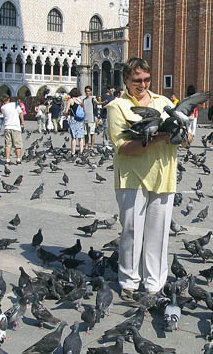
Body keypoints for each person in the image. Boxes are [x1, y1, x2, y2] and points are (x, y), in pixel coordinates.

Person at [107, 57, 190, 299]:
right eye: (136, 80)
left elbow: (186, 136)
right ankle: (129, 282)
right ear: (126, 80)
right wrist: (159, 138)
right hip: (132, 178)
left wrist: (184, 136)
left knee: (159, 232)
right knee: (132, 231)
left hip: (163, 176)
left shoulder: (163, 102)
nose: (142, 84)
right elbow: (123, 147)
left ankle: (154, 284)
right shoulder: (117, 107)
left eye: (146, 79)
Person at [0, 94, 24, 165]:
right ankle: (18, 159)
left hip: (7, 127)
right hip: (15, 127)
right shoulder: (15, 104)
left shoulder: (2, 107)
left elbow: (4, 117)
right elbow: (21, 113)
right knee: (18, 144)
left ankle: (7, 160)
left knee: (8, 145)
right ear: (9, 99)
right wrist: (22, 121)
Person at [65, 88, 85, 156]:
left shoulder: (70, 100)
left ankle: (73, 152)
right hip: (80, 119)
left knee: (74, 137)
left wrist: (66, 113)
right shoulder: (80, 100)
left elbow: (66, 111)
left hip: (73, 119)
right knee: (80, 137)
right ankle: (81, 151)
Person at [82, 86, 97, 151]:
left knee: (92, 133)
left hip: (91, 118)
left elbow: (97, 102)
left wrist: (102, 102)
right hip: (85, 118)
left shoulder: (93, 98)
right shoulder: (84, 99)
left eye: (88, 91)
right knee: (86, 134)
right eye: (86, 91)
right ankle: (86, 145)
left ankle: (92, 146)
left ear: (91, 91)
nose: (87, 92)